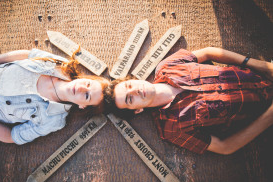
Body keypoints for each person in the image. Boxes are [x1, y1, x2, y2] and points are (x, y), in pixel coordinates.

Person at [107, 47, 273, 155]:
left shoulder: (167, 66)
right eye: (130, 99)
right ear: (137, 110)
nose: (135, 90)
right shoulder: (172, 129)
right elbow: (225, 147)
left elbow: (208, 52)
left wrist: (262, 66)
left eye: (129, 85)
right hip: (265, 107)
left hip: (262, 73)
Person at [0, 47, 109, 145]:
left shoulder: (53, 120)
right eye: (88, 84)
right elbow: (27, 54)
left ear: (82, 106)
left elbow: (12, 137)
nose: (82, 88)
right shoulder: (58, 64)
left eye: (87, 96)